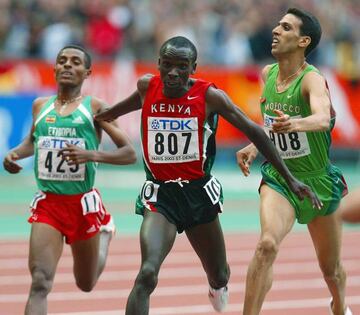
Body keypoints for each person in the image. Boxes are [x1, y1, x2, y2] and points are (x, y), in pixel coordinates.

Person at [95, 35, 321, 315]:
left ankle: (217, 285)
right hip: (160, 197)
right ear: (158, 64)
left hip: (198, 197)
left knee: (219, 274)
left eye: (181, 66)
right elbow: (116, 111)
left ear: (194, 67)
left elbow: (256, 132)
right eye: (166, 65)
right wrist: (96, 117)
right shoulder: (147, 87)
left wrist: (290, 178)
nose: (173, 73)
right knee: (147, 273)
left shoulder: (209, 96)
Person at [2, 45, 137, 315]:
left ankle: (105, 233)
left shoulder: (96, 108)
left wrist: (90, 154)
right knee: (40, 282)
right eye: (62, 61)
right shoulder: (40, 105)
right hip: (48, 204)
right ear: (53, 69)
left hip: (82, 205)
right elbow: (32, 141)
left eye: (75, 62)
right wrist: (15, 153)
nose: (67, 65)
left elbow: (129, 153)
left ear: (87, 72)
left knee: (85, 283)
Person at [236, 8, 351, 315]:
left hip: (318, 183)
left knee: (332, 271)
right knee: (267, 246)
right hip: (281, 178)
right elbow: (273, 124)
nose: (276, 30)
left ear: (303, 41)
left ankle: (339, 306)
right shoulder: (268, 74)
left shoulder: (313, 80)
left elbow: (323, 118)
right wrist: (255, 145)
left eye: (286, 28)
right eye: (277, 25)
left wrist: (295, 124)